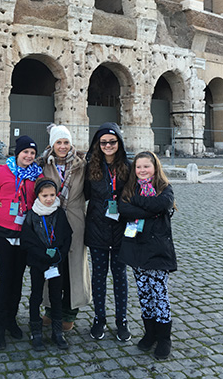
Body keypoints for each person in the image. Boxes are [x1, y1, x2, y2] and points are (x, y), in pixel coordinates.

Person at [0, 135, 43, 350]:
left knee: (18, 279)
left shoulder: (37, 175)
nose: (28, 156)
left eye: (32, 154)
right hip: (4, 233)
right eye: (25, 152)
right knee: (5, 278)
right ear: (17, 153)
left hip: (25, 234)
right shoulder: (2, 172)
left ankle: (11, 319)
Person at [118, 151, 177, 360]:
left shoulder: (164, 188)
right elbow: (124, 209)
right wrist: (148, 210)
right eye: (139, 167)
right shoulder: (130, 189)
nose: (142, 170)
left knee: (159, 294)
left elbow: (162, 205)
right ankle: (150, 333)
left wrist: (138, 204)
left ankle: (164, 338)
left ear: (155, 167)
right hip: (137, 249)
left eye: (147, 166)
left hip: (158, 250)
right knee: (144, 294)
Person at [37, 124, 91, 332]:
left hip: (75, 219)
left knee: (73, 268)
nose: (62, 146)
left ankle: (70, 312)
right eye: (58, 142)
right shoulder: (43, 164)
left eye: (66, 142)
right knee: (52, 266)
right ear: (52, 144)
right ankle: (51, 310)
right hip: (51, 220)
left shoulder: (81, 164)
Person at [84, 122, 131, 341]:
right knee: (99, 277)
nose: (108, 145)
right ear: (97, 144)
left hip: (121, 231)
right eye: (103, 142)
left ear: (119, 143)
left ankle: (121, 320)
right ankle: (99, 319)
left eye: (112, 142)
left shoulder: (128, 168)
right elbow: (80, 194)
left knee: (120, 277)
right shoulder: (90, 167)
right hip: (97, 229)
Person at [21, 177, 73, 351]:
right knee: (36, 295)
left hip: (56, 262)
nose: (49, 199)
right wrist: (42, 255)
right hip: (38, 261)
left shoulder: (60, 213)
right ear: (38, 196)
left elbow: (67, 236)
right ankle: (35, 331)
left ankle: (57, 332)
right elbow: (27, 240)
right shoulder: (31, 215)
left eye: (52, 195)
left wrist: (59, 254)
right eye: (45, 196)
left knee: (56, 295)